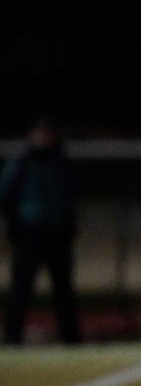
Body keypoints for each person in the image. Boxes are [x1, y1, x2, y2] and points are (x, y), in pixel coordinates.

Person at [1, 118, 82, 345]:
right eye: (40, 133)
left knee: (63, 288)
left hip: (57, 232)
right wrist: (14, 225)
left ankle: (71, 336)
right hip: (29, 232)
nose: (43, 138)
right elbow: (6, 194)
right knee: (21, 288)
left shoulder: (61, 163)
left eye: (47, 133)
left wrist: (69, 224)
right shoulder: (22, 162)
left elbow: (71, 196)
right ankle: (12, 336)